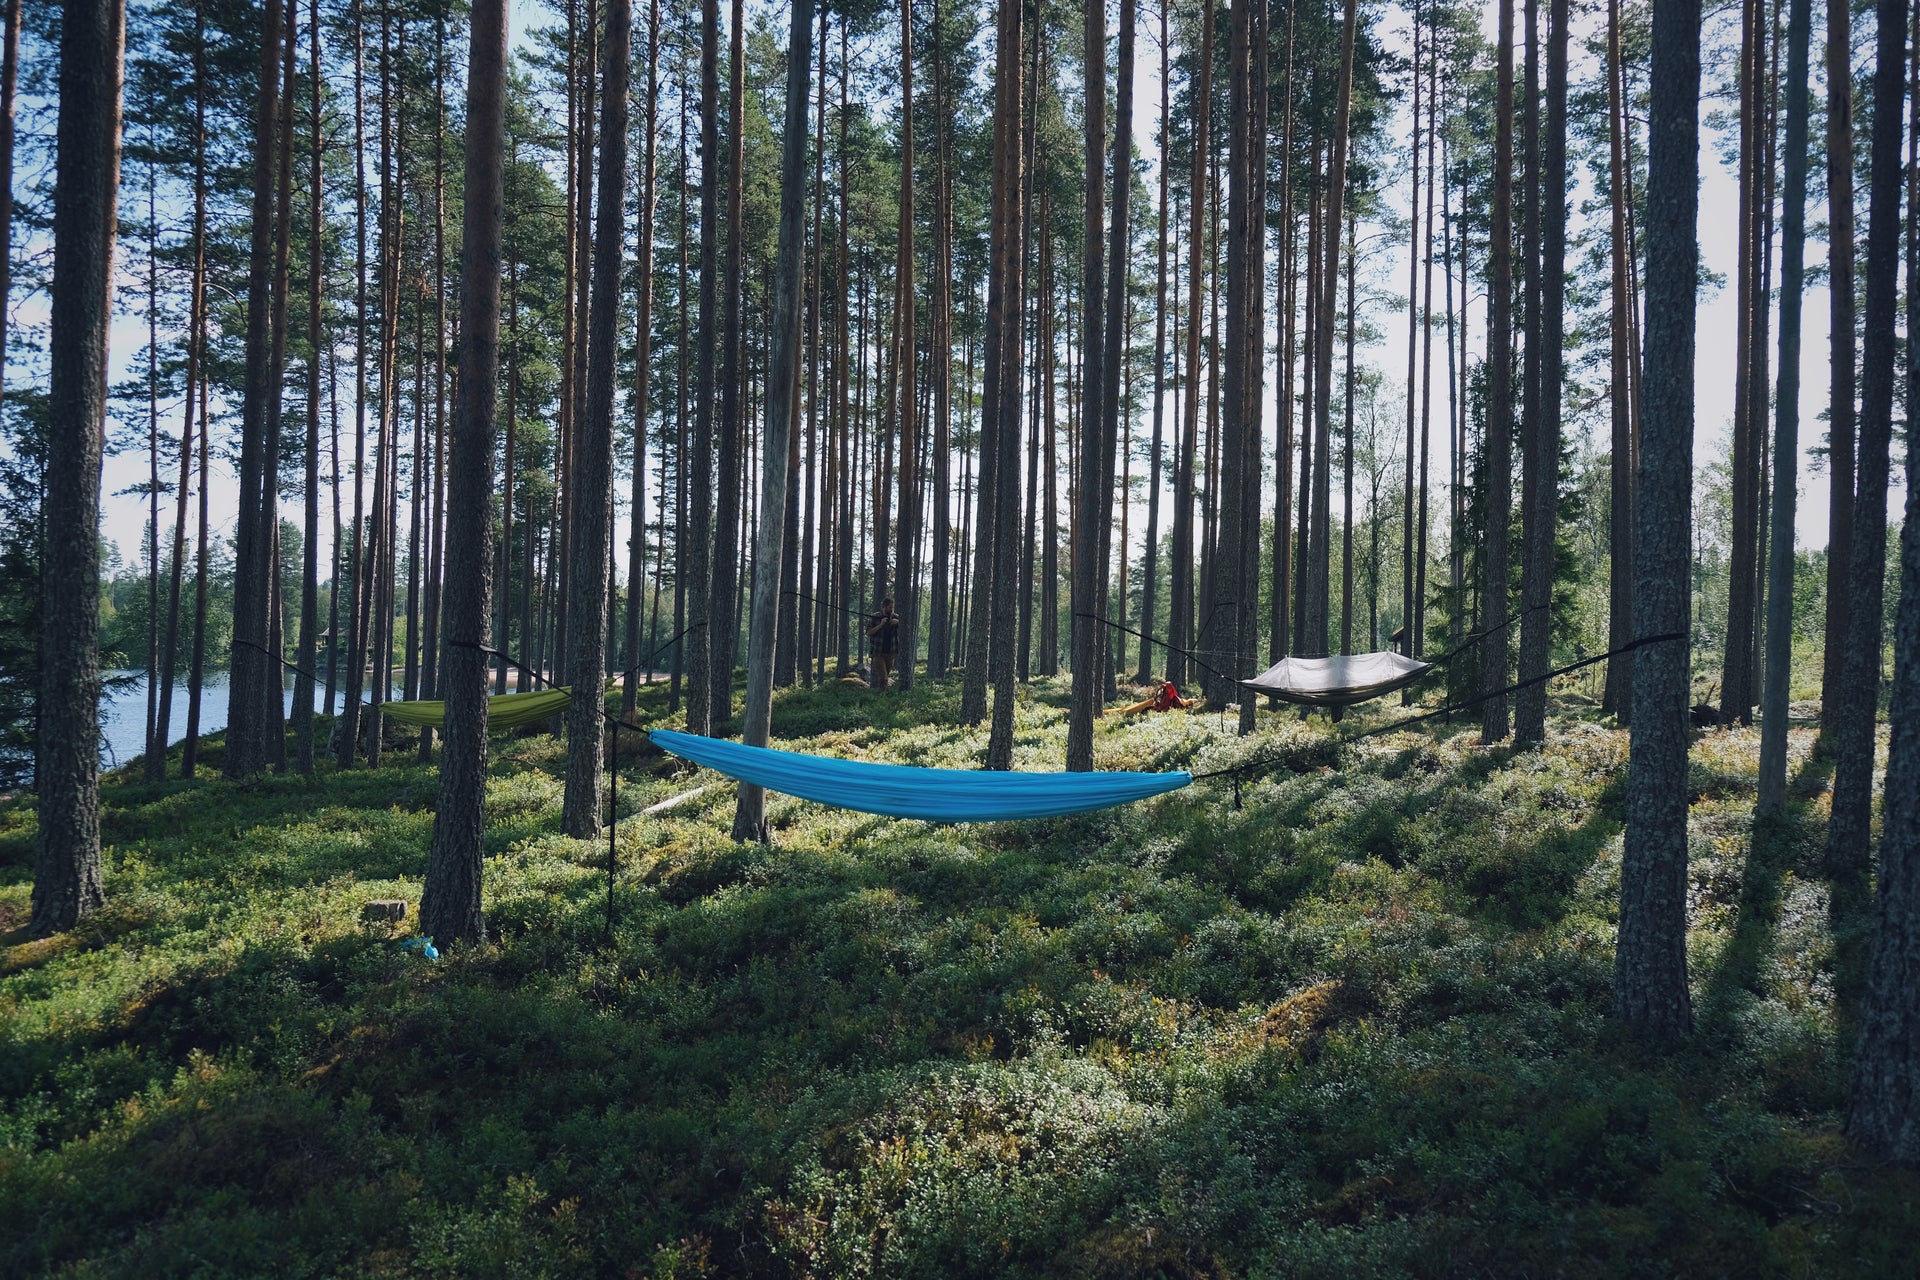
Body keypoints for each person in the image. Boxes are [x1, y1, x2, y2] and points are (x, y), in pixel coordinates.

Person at [866, 597, 901, 690]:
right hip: (878, 652)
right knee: (884, 677)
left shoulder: (896, 617)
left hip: (891, 652)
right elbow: (869, 632)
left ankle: (881, 695)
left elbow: (905, 630)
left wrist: (898, 623)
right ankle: (883, 696)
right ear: (884, 607)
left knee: (885, 677)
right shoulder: (875, 617)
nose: (891, 609)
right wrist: (880, 625)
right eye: (890, 607)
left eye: (892, 607)